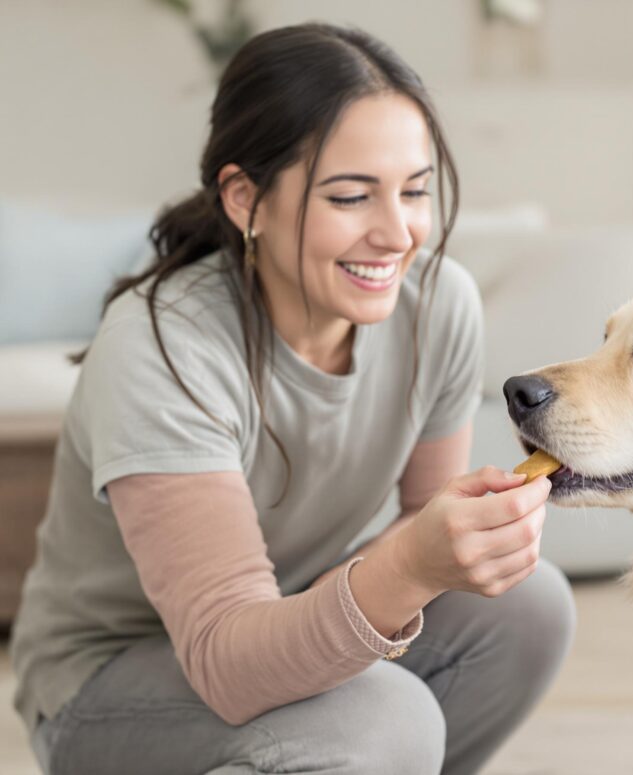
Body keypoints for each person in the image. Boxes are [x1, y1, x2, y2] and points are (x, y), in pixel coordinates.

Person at [10, 23, 575, 775]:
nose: (396, 233)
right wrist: (410, 560)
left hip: (279, 609)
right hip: (110, 682)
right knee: (382, 715)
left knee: (525, 607)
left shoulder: (439, 307)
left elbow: (425, 521)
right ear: (247, 200)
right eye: (350, 196)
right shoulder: (164, 348)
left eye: (414, 191)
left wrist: (445, 544)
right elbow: (226, 659)